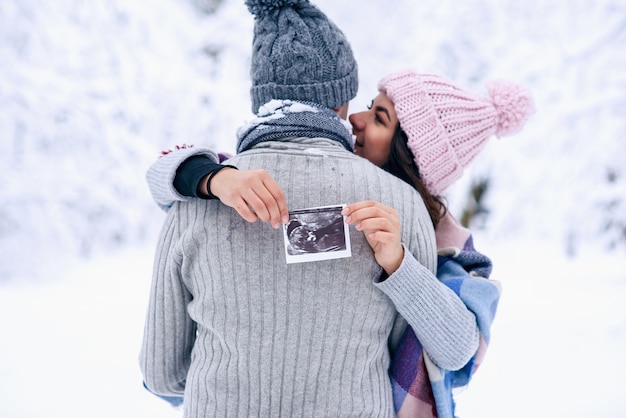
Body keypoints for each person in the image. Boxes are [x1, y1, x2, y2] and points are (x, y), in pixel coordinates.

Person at [139, 1, 480, 417]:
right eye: (363, 105)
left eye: (378, 116)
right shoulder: (400, 208)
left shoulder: (201, 202)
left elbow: (161, 374)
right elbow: (412, 352)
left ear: (261, 95)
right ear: (340, 100)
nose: (357, 119)